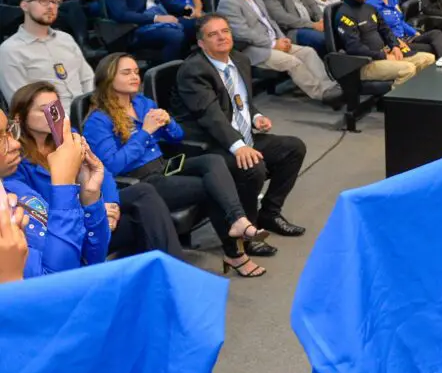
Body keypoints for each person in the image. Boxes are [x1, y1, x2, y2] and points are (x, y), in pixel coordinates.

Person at [82, 53, 271, 277]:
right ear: (108, 78)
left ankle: (238, 219)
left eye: (136, 71)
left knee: (213, 161)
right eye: (126, 72)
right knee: (212, 187)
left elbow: (177, 137)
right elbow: (112, 165)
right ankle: (236, 253)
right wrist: (145, 132)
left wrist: (169, 123)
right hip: (141, 181)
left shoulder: (142, 103)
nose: (135, 76)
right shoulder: (98, 120)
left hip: (164, 167)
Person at [9, 81, 185, 261]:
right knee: (146, 222)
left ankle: (168, 270)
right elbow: (43, 210)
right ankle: (169, 272)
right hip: (68, 226)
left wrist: (110, 205)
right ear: (19, 117)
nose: (53, 116)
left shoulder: (70, 135)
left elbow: (102, 172)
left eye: (56, 108)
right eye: (44, 109)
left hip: (93, 207)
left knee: (143, 194)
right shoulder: (15, 159)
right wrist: (95, 210)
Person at [174, 14, 307, 239]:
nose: (221, 37)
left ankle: (270, 214)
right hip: (210, 144)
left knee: (294, 148)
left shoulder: (240, 60)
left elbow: (241, 103)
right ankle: (248, 229)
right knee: (252, 167)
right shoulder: (194, 71)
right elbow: (211, 116)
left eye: (225, 31)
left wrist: (256, 118)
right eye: (213, 34)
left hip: (239, 135)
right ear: (201, 43)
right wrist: (239, 147)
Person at [0, 106, 109, 279]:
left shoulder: (16, 189)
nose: (15, 144)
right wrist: (64, 183)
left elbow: (92, 259)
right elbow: (58, 285)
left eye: (8, 131)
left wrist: (90, 196)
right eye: (0, 138)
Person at [218, 0, 341, 104]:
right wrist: (273, 43)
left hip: (274, 41)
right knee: (293, 62)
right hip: (253, 49)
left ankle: (330, 86)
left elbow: (270, 20)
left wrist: (282, 38)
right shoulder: (228, 2)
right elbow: (243, 33)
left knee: (308, 52)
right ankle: (321, 93)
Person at [0, 0, 92, 109]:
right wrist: (62, 124)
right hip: (50, 122)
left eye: (54, 2)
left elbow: (88, 79)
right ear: (24, 6)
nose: (51, 6)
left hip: (86, 114)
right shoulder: (10, 50)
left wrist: (92, 110)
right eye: (43, 1)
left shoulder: (66, 39)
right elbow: (20, 103)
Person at [335, 0, 436, 86]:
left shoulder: (369, 8)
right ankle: (394, 102)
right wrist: (383, 56)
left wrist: (395, 46)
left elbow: (385, 29)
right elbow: (354, 48)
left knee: (428, 59)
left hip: (384, 54)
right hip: (365, 63)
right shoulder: (345, 14)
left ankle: (417, 95)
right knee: (407, 69)